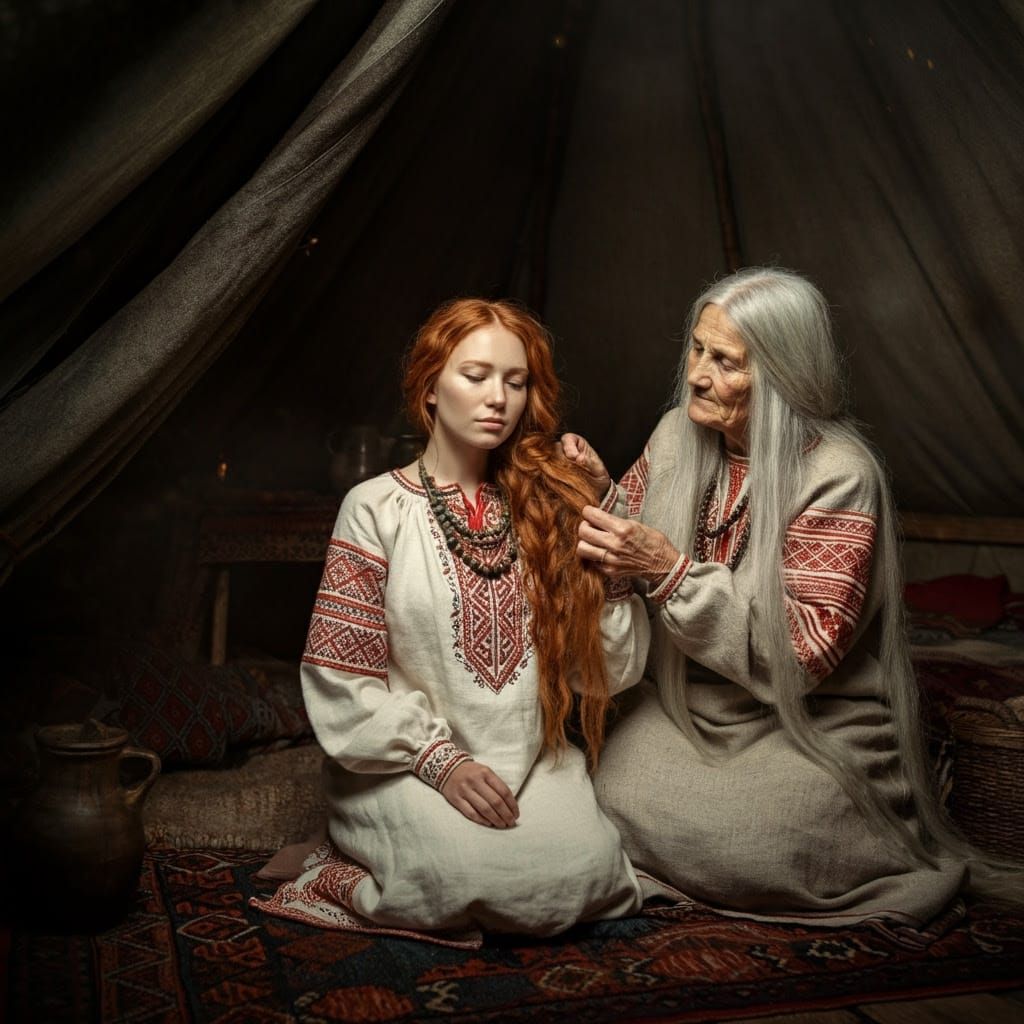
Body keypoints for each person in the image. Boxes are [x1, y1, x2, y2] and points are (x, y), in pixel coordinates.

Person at [563, 266, 1023, 927]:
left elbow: (802, 657)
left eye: (725, 361)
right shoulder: (674, 435)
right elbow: (633, 556)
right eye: (697, 349)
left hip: (810, 725)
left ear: (780, 373)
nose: (696, 374)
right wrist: (602, 496)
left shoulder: (839, 474)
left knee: (752, 836)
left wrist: (669, 572)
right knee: (600, 783)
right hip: (690, 708)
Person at [257, 298, 649, 942]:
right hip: (403, 763)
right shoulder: (374, 507)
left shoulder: (547, 507)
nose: (498, 397)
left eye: (515, 382)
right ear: (431, 387)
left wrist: (607, 541)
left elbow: (603, 676)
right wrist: (440, 762)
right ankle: (335, 870)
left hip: (531, 761)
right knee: (456, 874)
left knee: (587, 878)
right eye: (476, 375)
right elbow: (340, 680)